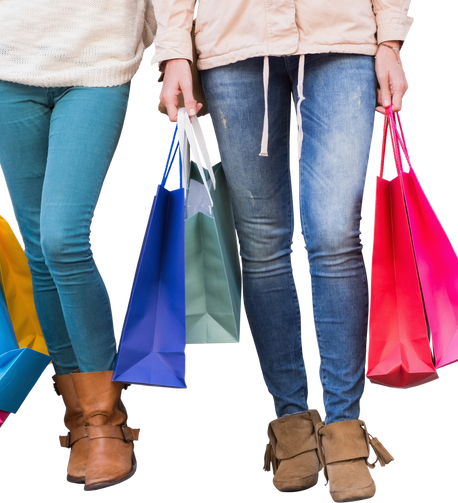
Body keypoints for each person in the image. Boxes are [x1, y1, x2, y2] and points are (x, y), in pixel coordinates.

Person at [151, 1, 413, 501]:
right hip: (232, 38)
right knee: (262, 241)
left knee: (335, 232)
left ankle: (345, 430)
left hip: (340, 32)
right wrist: (173, 52)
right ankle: (291, 424)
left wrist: (390, 40)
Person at [0, 0, 156, 494]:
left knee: (64, 239)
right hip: (3, 71)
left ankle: (106, 416)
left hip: (97, 65)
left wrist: (170, 57)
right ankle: (77, 415)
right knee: (37, 250)